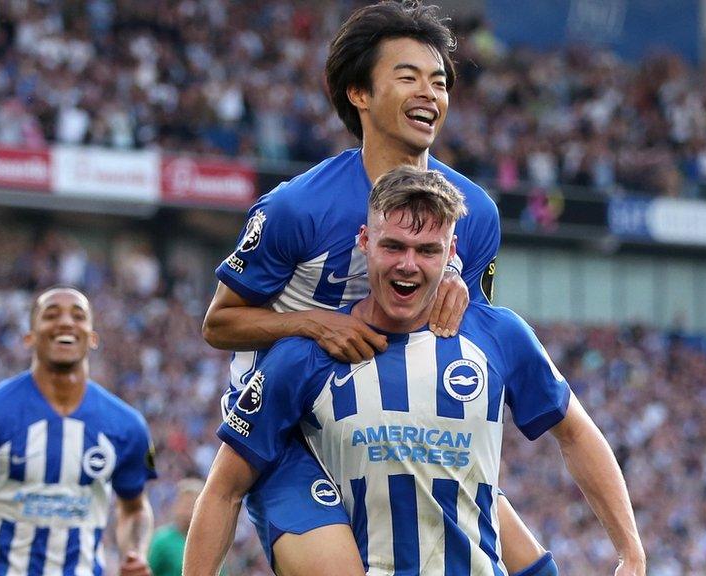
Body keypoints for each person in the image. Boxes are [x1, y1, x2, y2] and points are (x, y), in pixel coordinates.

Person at [201, 2, 553, 575]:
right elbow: (218, 323)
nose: (429, 94)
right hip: (291, 429)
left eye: (439, 81)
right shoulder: (297, 208)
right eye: (408, 77)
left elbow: (472, 338)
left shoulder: (475, 214)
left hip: (396, 420)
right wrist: (315, 323)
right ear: (358, 94)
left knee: (535, 570)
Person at [186, 166, 646, 575]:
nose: (408, 265)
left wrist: (630, 552)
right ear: (365, 242)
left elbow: (577, 433)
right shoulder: (306, 355)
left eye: (427, 250)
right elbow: (224, 490)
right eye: (393, 246)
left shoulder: (498, 335)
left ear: (452, 252)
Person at [0, 286, 157, 576]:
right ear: (29, 337)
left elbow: (135, 507)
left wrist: (135, 553)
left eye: (78, 316)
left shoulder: (126, 424)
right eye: (51, 315)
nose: (66, 322)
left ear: (92, 338)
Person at [148, 478, 224, 576]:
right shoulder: (162, 540)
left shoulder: (210, 544)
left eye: (190, 504)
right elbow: (148, 569)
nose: (185, 509)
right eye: (184, 503)